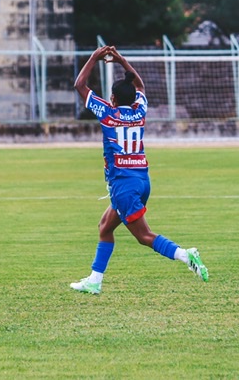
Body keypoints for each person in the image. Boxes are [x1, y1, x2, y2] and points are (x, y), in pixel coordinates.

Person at [70, 45, 209, 294]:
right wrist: (122, 61)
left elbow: (80, 85)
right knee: (105, 227)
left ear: (113, 99)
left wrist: (94, 56)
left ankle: (185, 255)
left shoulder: (108, 113)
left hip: (124, 186)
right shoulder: (139, 111)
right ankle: (94, 280)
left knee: (144, 236)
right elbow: (141, 86)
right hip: (142, 181)